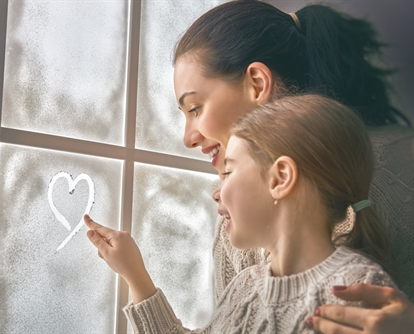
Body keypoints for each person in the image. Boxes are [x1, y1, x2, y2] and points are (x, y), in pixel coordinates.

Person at [171, 0, 413, 331]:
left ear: (257, 83)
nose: (188, 138)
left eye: (195, 107)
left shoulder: (401, 168)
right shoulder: (235, 215)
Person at [85, 95, 399, 333]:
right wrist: (135, 276)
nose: (216, 192)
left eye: (229, 171)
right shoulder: (245, 286)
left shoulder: (357, 289)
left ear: (280, 179)